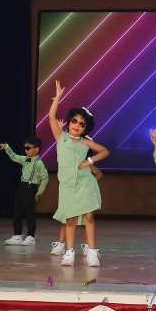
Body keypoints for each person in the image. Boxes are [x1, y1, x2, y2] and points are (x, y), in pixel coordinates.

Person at [49, 81, 109, 267]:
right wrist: (57, 98)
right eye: (74, 121)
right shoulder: (61, 137)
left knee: (88, 217)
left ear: (85, 128)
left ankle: (92, 252)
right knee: (70, 219)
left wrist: (89, 161)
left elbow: (104, 151)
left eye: (82, 124)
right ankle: (69, 252)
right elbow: (51, 117)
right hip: (67, 185)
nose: (76, 125)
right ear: (69, 121)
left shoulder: (85, 142)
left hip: (84, 182)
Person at [0, 136, 47, 246]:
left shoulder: (39, 163)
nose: (26, 150)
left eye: (28, 148)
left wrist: (39, 192)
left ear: (37, 149)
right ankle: (17, 235)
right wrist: (7, 147)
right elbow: (13, 156)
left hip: (31, 187)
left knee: (29, 212)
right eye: (25, 148)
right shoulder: (25, 159)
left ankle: (31, 236)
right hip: (22, 187)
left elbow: (45, 178)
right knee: (17, 211)